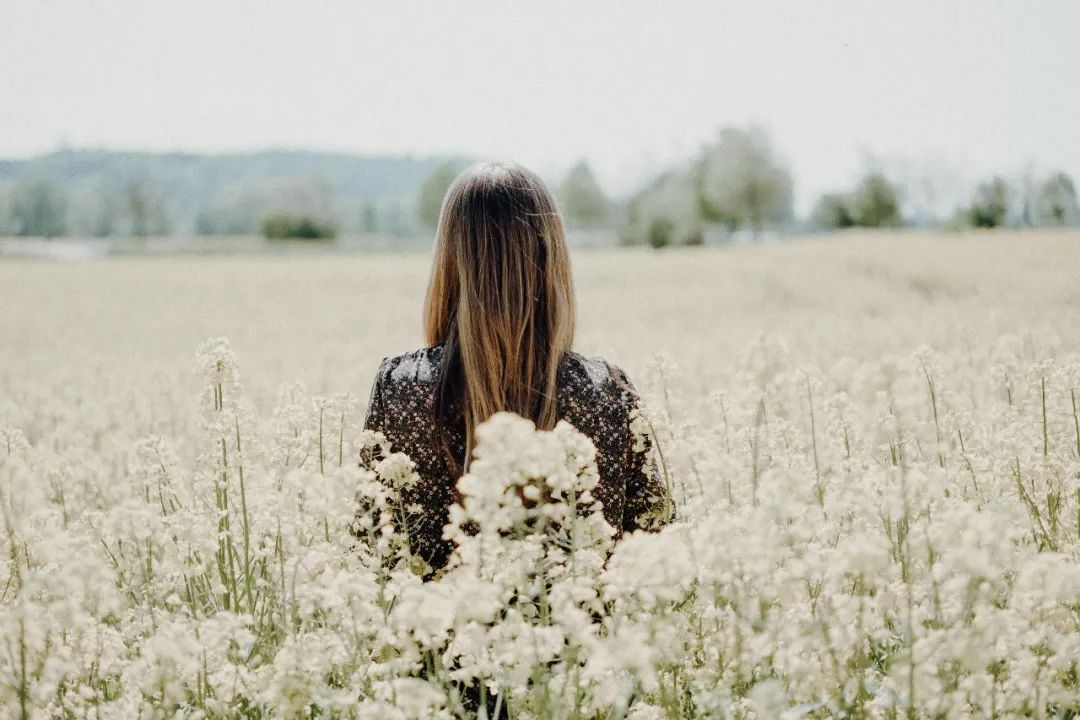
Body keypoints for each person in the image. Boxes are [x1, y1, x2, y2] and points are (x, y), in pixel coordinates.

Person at [361, 159, 674, 577]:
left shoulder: (400, 387)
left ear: (450, 264)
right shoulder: (609, 393)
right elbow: (653, 554)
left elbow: (370, 554)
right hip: (585, 643)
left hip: (436, 642)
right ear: (552, 262)